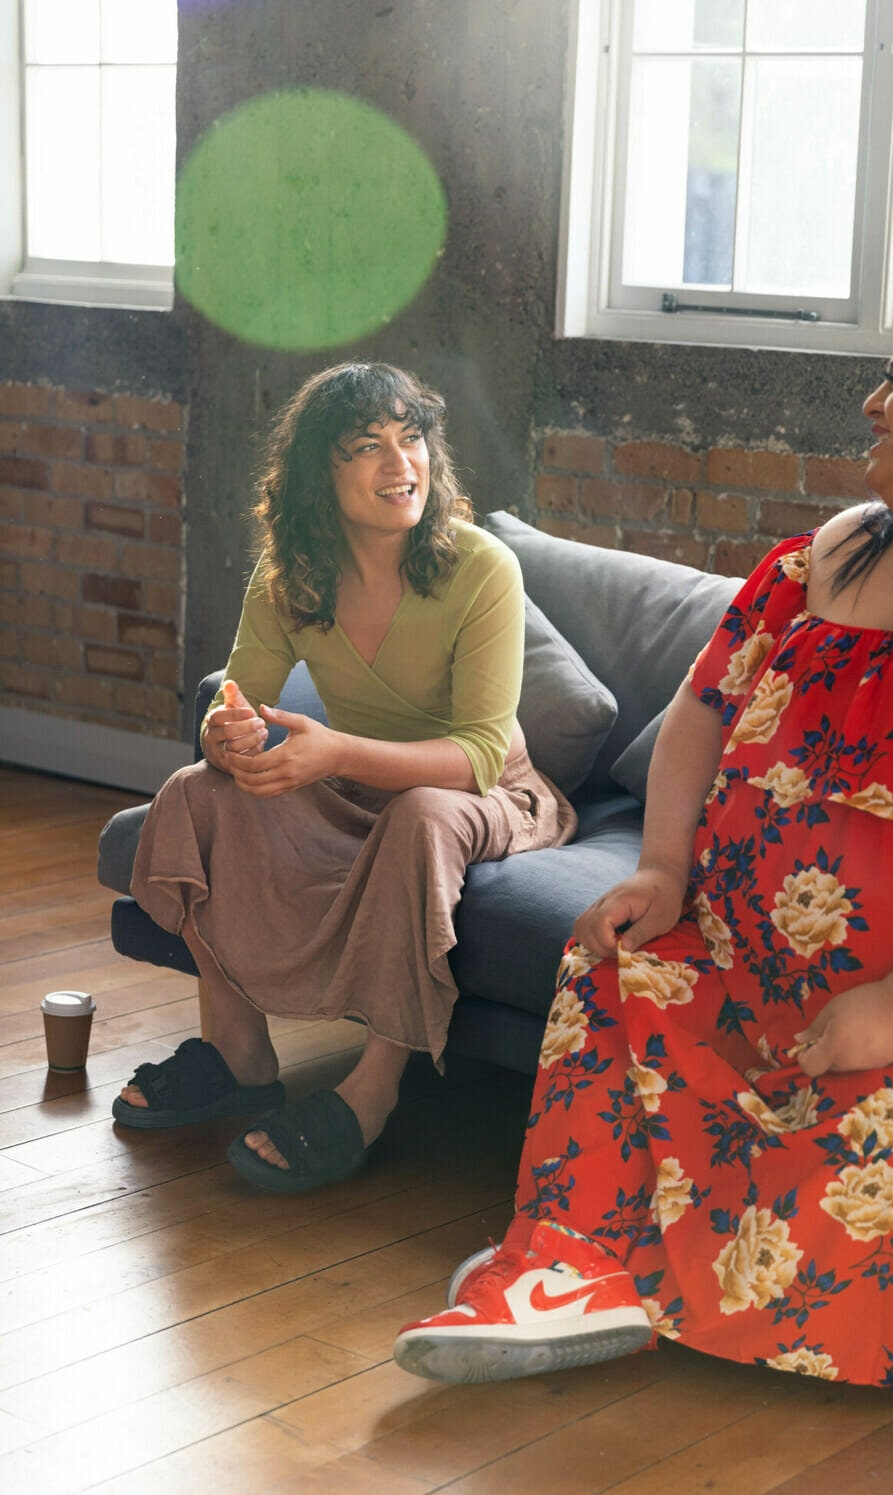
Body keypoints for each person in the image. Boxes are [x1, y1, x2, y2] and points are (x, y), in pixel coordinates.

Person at [395, 301, 893, 1390]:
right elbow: (698, 714)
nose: (870, 404)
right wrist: (662, 869)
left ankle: (639, 1279)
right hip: (734, 961)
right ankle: (567, 1266)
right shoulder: (821, 560)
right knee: (610, 965)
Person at [114, 361, 575, 1192]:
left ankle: (370, 1093)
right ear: (315, 476)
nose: (402, 465)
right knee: (192, 794)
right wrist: (235, 740)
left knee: (423, 816)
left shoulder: (481, 569)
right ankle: (239, 1050)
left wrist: (331, 752)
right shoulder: (290, 574)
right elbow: (235, 702)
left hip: (486, 791)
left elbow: (474, 753)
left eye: (413, 438)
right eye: (368, 446)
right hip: (354, 787)